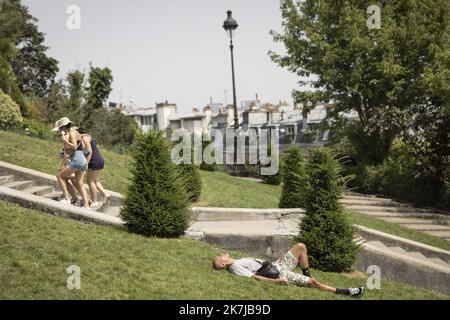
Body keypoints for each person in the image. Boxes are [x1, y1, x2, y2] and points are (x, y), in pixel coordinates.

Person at [212, 242, 365, 298]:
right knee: (314, 282)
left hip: (276, 265)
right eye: (219, 258)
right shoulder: (235, 267)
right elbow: (255, 277)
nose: (221, 255)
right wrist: (277, 281)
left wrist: (276, 262)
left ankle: (306, 276)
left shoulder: (236, 262)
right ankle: (346, 292)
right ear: (223, 264)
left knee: (300, 246)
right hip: (279, 273)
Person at [52, 117, 90, 209]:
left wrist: (65, 141)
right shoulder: (73, 132)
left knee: (60, 176)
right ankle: (86, 205)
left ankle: (66, 199)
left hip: (77, 159)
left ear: (64, 126)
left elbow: (74, 147)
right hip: (82, 160)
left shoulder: (72, 133)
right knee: (79, 183)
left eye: (60, 128)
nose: (60, 130)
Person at [77, 128, 111, 207]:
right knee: (94, 180)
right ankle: (105, 194)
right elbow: (96, 149)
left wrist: (86, 164)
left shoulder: (84, 138)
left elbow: (90, 151)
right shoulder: (89, 137)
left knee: (90, 181)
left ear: (79, 133)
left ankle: (94, 201)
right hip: (99, 160)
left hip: (94, 161)